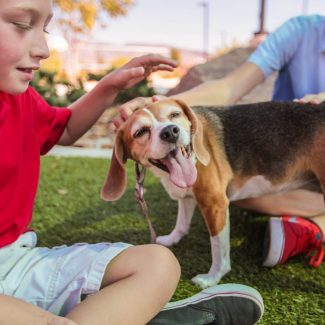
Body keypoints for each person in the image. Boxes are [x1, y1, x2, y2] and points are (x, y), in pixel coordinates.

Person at [0, 1, 264, 325]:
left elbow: (66, 128)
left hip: (17, 258)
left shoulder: (20, 99)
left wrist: (112, 84)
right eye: (22, 24)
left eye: (45, 28)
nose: (43, 48)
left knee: (159, 263)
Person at [116, 15, 325, 270]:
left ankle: (316, 227)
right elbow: (228, 88)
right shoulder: (301, 30)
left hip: (313, 140)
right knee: (227, 193)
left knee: (217, 195)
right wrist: (159, 105)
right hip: (280, 150)